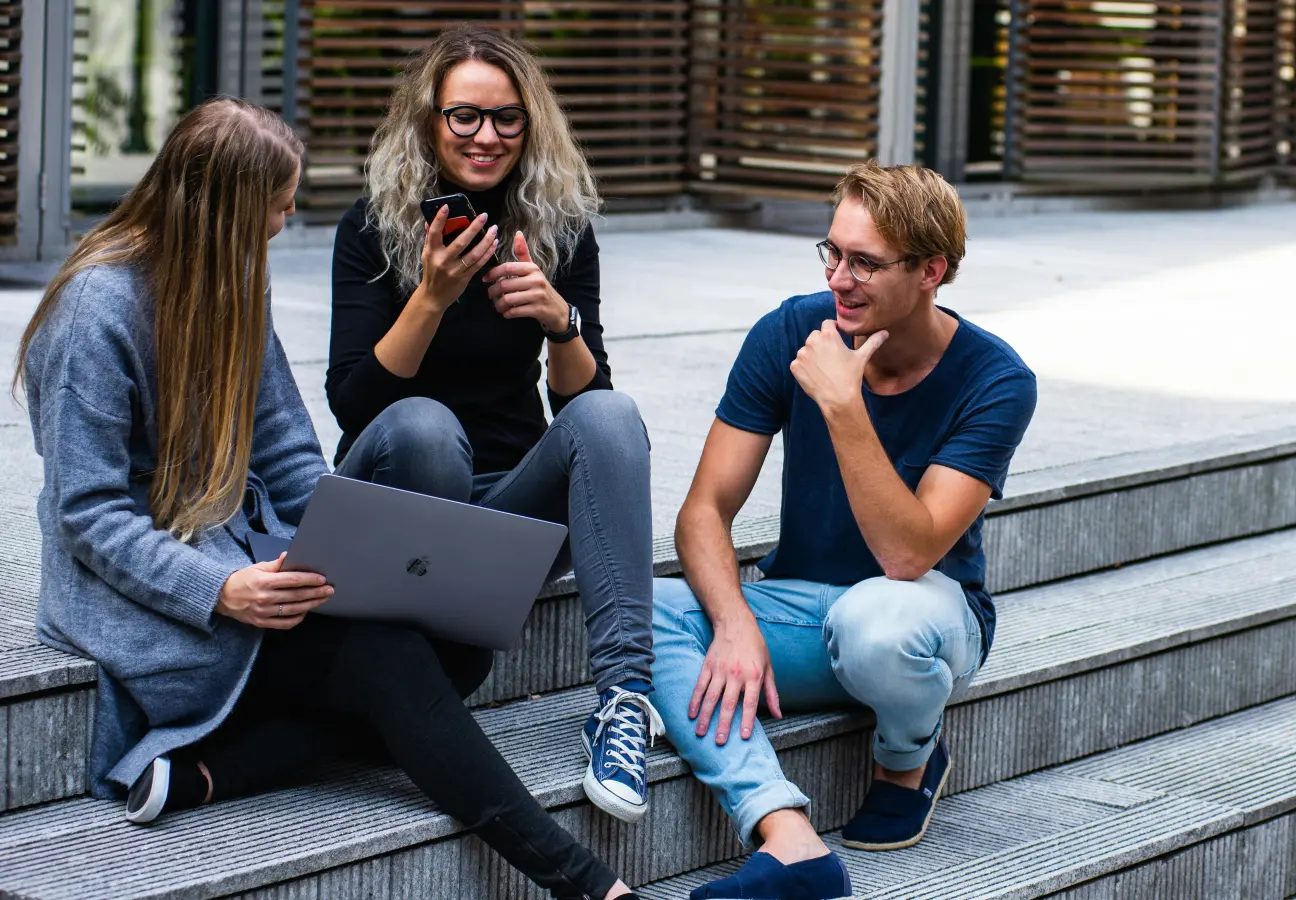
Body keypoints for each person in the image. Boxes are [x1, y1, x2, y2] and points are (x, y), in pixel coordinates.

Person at [18, 97, 637, 900]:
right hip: (150, 599)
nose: (283, 225)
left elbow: (286, 453)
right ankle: (586, 882)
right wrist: (221, 589)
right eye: (277, 208)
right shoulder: (94, 311)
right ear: (225, 208)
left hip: (246, 562)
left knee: (459, 653)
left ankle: (217, 770)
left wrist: (348, 548)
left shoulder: (233, 279)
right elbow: (89, 514)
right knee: (389, 657)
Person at [652, 162, 1038, 899]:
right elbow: (703, 510)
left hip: (924, 618)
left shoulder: (996, 380)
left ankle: (907, 759)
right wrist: (733, 624)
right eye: (832, 252)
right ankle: (787, 837)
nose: (839, 278)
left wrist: (843, 404)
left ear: (931, 271)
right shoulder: (790, 330)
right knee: (644, 610)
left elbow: (908, 553)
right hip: (802, 607)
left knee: (877, 623)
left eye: (865, 262)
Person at [325, 26, 659, 824]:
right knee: (425, 427)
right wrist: (431, 297)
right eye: (465, 116)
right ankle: (417, 667)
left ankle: (624, 702)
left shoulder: (558, 229)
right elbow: (354, 407)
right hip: (400, 501)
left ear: (530, 124)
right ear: (429, 121)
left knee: (613, 415)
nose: (486, 136)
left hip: (507, 513)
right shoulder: (371, 228)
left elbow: (586, 412)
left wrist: (559, 321)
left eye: (507, 118)